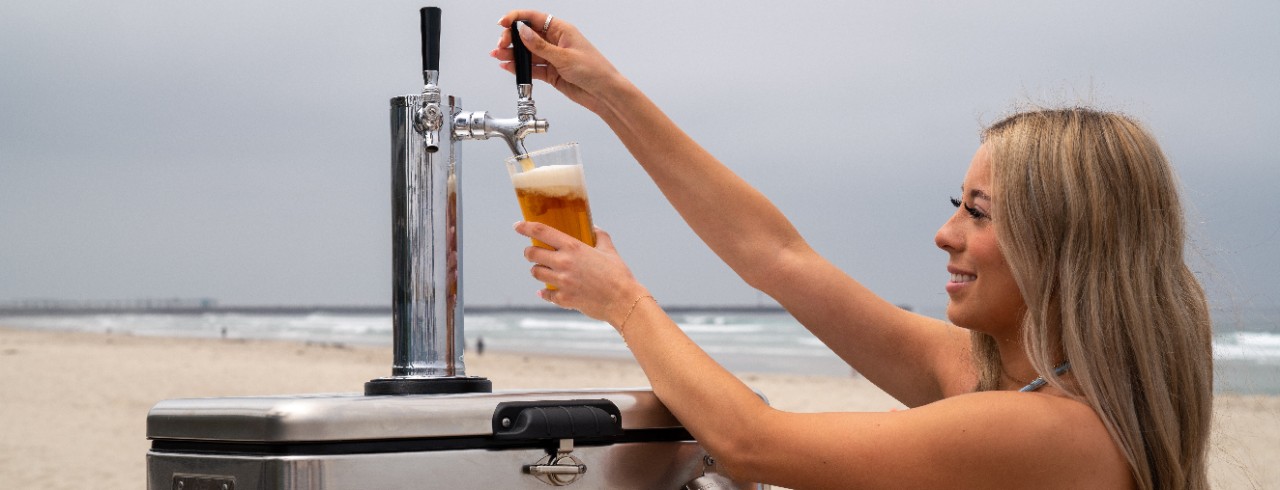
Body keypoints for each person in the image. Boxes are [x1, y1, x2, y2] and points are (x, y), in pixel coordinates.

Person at [492, 11, 1213, 490]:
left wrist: (624, 303)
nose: (946, 233)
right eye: (954, 204)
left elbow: (750, 442)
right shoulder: (1007, 380)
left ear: (1062, 247)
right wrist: (608, 93)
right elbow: (778, 256)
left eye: (979, 212)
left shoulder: (1053, 431)